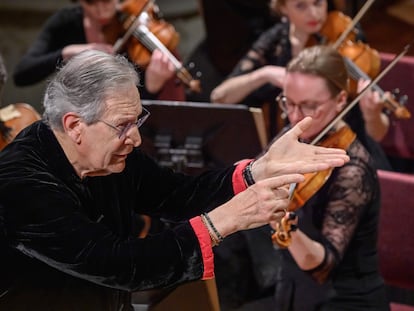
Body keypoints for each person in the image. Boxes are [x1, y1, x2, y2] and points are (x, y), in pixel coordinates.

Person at [0, 49, 349, 311]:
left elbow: (178, 194)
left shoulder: (112, 153)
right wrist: (224, 221)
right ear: (75, 125)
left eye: (137, 121)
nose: (135, 138)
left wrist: (257, 170)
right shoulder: (19, 182)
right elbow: (118, 264)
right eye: (123, 125)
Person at [218, 45, 389, 311]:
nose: (296, 117)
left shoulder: (353, 169)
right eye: (288, 103)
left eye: (310, 106)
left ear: (341, 99)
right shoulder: (294, 135)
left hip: (345, 300)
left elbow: (322, 265)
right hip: (293, 293)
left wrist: (283, 225)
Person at [209, 0, 390, 144]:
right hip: (292, 144)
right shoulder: (274, 41)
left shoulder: (347, 35)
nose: (314, 14)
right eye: (300, 5)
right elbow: (218, 97)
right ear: (283, 8)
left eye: (318, 2)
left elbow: (378, 135)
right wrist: (265, 73)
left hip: (346, 144)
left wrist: (372, 115)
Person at [12, 0, 184, 101]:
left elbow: (136, 106)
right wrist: (67, 52)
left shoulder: (136, 27)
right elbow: (22, 74)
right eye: (91, 2)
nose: (101, 11)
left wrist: (152, 87)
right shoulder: (66, 22)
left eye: (107, 1)